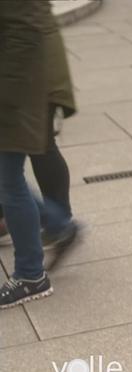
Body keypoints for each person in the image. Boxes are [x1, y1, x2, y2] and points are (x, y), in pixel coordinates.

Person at [0, 2, 79, 266]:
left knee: (38, 148)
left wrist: (8, 94)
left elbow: (25, 27)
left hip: (31, 70)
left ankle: (59, 225)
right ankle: (54, 224)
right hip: (27, 66)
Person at [0, 1, 52, 308]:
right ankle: (59, 223)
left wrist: (5, 96)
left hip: (12, 98)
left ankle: (31, 275)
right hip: (14, 92)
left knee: (8, 180)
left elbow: (26, 33)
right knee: (7, 180)